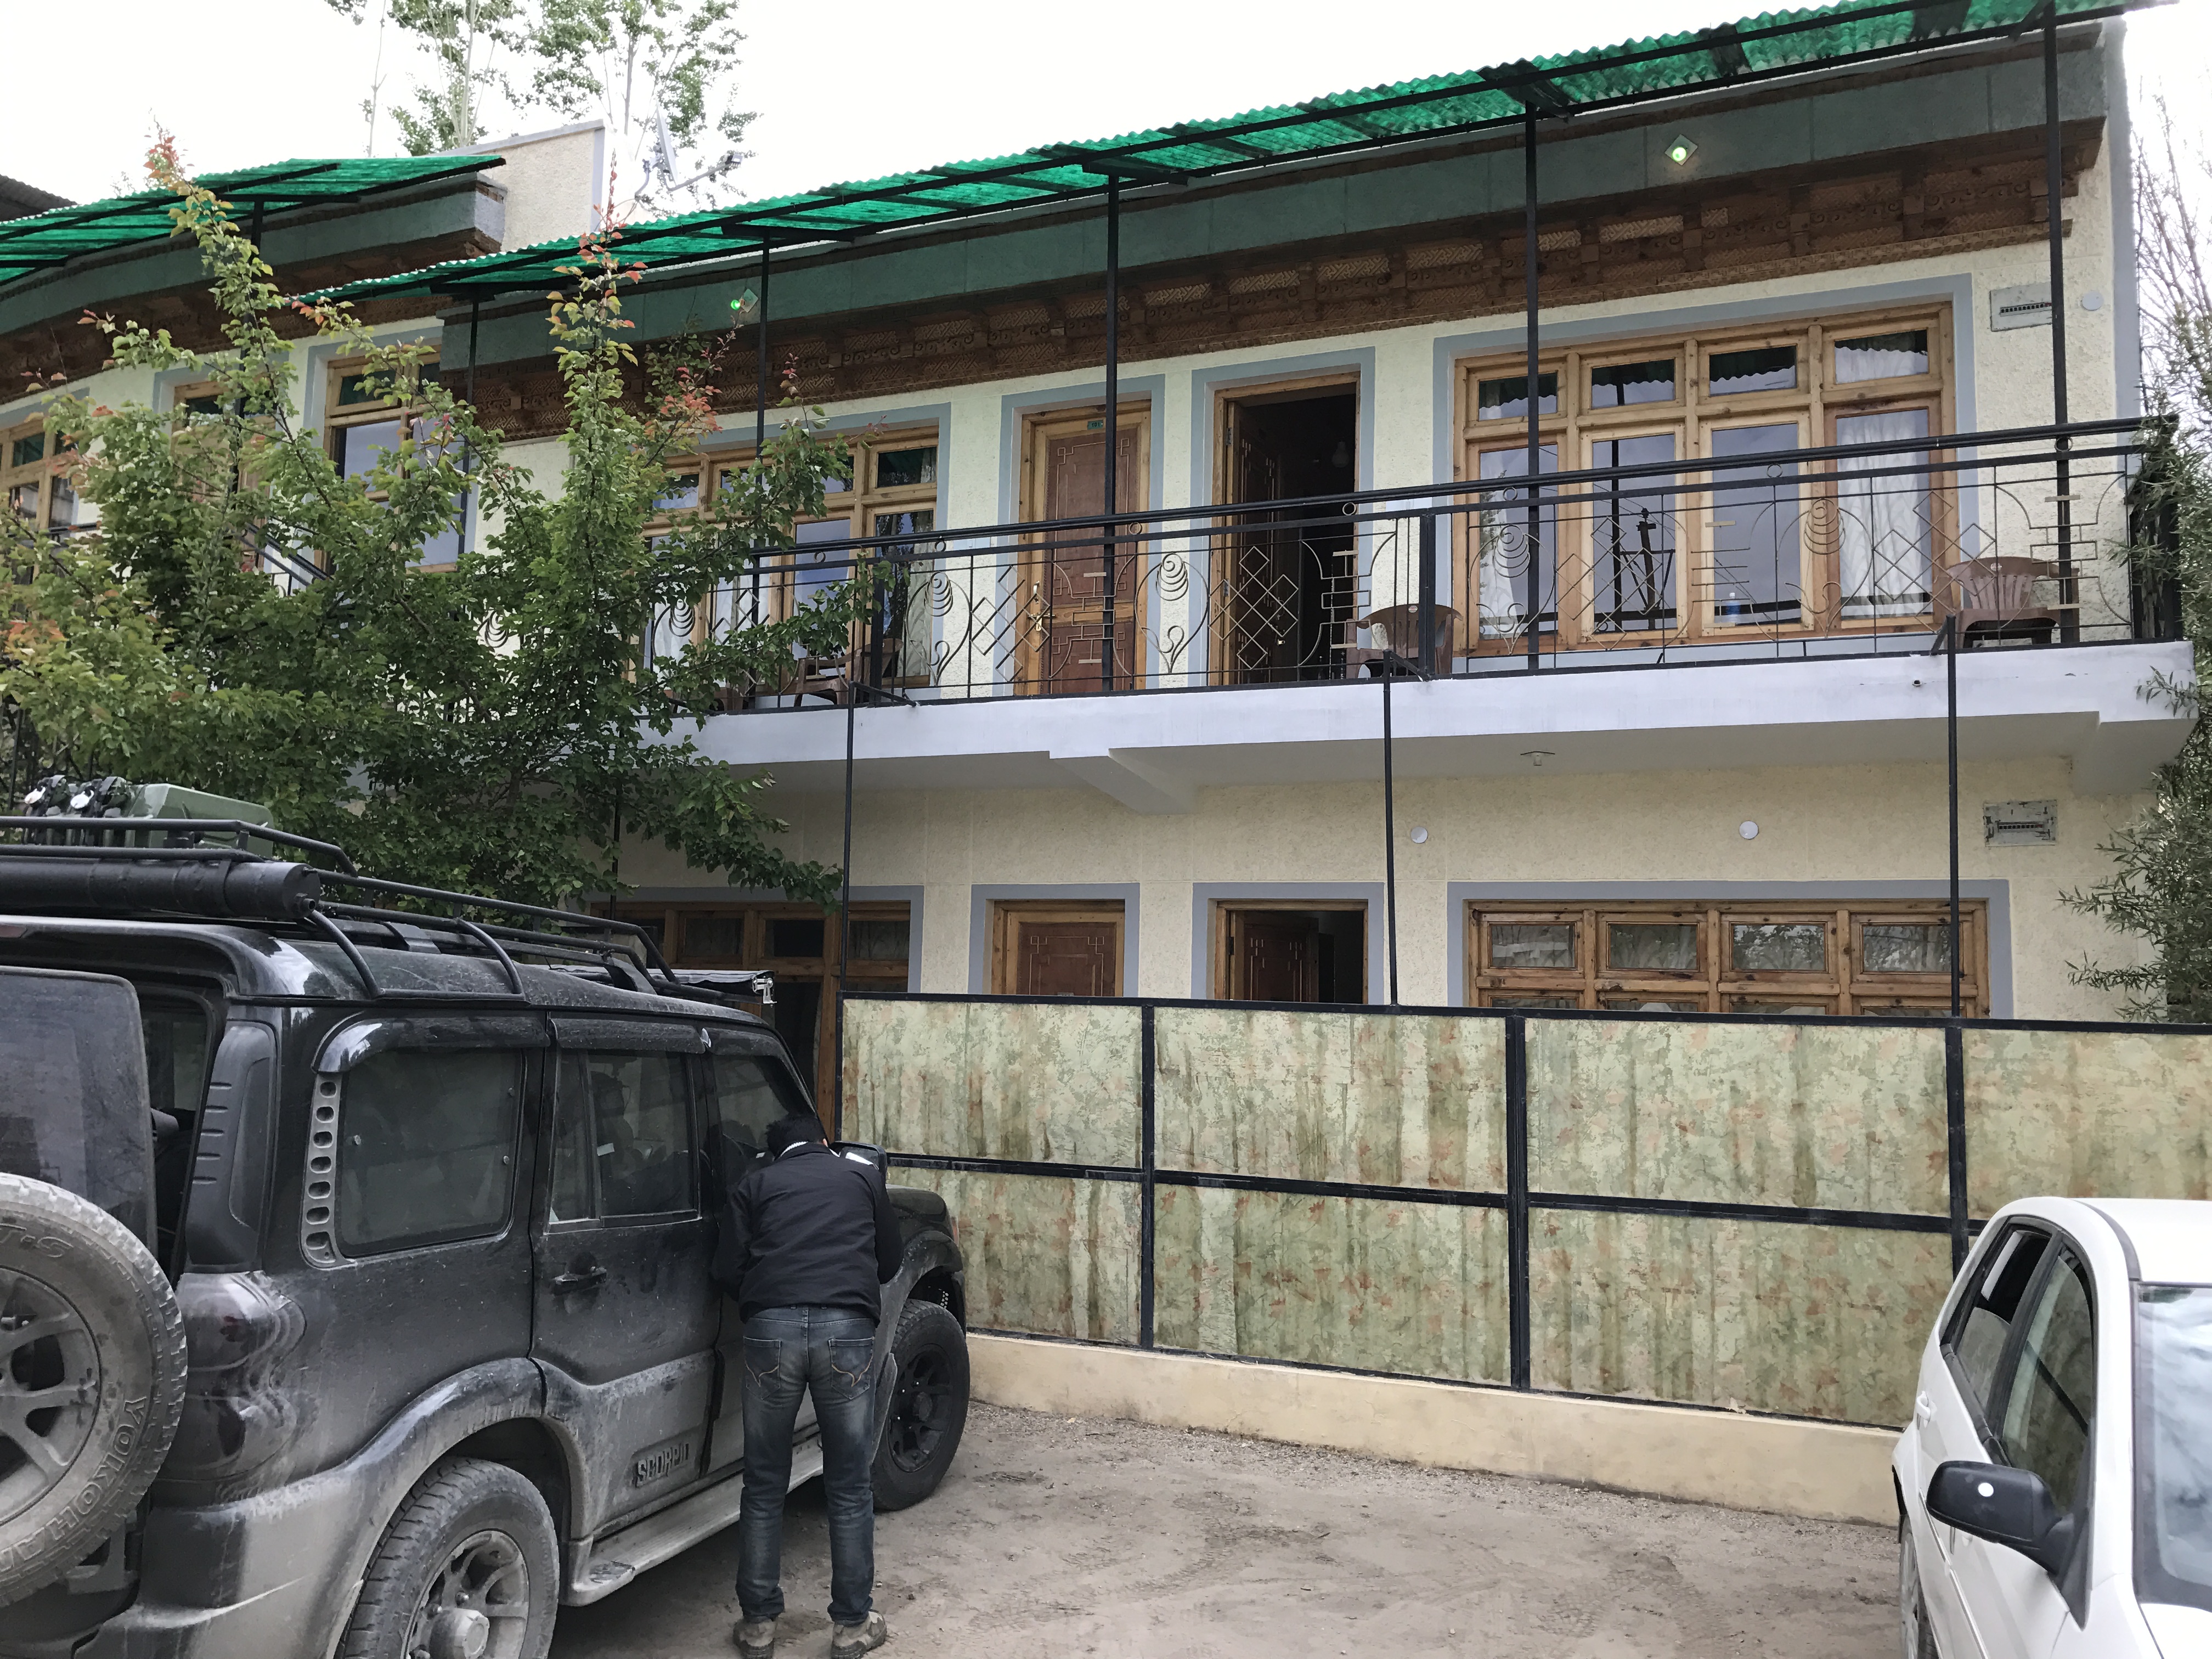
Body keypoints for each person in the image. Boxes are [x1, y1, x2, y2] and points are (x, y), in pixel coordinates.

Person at [712, 1111, 902, 1659]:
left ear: (776, 1153)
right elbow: (889, 1262)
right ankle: (851, 1627)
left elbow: (725, 1269)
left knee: (764, 1483)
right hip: (847, 1333)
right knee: (849, 1485)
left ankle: (757, 1628)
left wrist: (770, 1297)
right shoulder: (863, 1177)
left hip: (770, 1333)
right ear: (823, 1140)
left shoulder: (756, 1185)